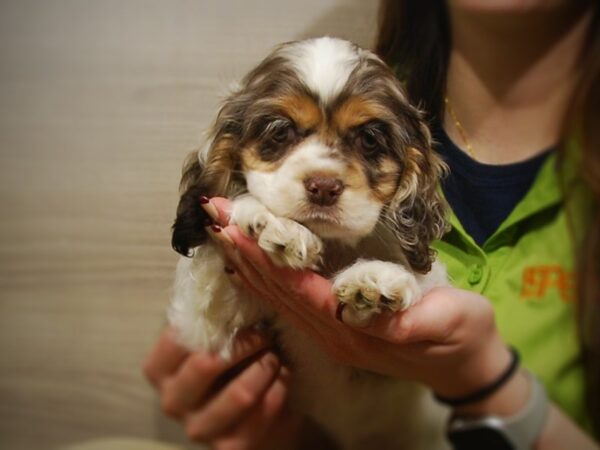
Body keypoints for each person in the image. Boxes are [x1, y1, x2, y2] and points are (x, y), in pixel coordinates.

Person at [144, 1, 600, 448]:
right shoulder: (376, 92)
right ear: (226, 154)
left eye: (367, 141)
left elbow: (417, 273)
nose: (325, 177)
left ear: (411, 170)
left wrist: (489, 382)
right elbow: (203, 331)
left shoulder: (399, 139)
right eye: (282, 133)